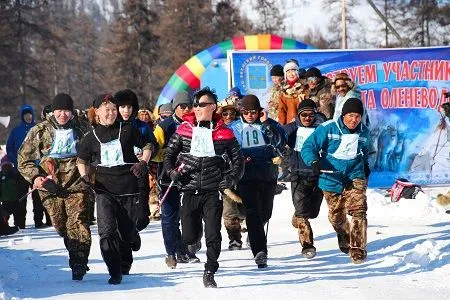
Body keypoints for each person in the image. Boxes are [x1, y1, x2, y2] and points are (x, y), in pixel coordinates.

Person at [164, 87, 244, 288]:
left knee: (213, 234)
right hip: (189, 189)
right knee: (190, 236)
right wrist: (172, 172)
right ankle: (194, 238)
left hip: (212, 191)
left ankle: (210, 270)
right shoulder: (184, 129)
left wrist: (231, 178)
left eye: (202, 104)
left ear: (213, 107)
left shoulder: (224, 132)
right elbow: (169, 156)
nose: (197, 108)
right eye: (196, 104)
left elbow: (238, 160)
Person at [77, 93, 157, 284]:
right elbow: (82, 159)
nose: (112, 113)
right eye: (108, 110)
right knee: (106, 232)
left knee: (126, 231)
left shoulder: (127, 130)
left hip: (128, 188)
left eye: (115, 109)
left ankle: (132, 237)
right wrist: (84, 175)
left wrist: (143, 162)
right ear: (97, 112)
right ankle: (114, 270)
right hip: (104, 190)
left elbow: (148, 144)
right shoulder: (91, 137)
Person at [18, 93, 92, 280]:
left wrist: (90, 174)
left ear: (71, 111)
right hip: (50, 185)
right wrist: (36, 178)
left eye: (66, 110)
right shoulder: (39, 131)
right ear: (53, 111)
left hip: (76, 183)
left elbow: (94, 151)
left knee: (79, 222)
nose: (63, 115)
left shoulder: (82, 128)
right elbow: (23, 160)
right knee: (61, 226)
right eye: (59, 110)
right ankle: (73, 250)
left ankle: (79, 262)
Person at [301, 98, 371, 264]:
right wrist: (313, 161)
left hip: (354, 175)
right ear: (343, 115)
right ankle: (343, 233)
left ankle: (358, 248)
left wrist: (365, 165)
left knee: (359, 210)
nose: (354, 120)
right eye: (351, 116)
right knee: (336, 218)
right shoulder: (328, 128)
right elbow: (308, 147)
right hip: (330, 176)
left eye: (358, 116)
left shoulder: (364, 131)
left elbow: (365, 150)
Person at [229, 95, 286, 268]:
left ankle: (255, 233)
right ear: (241, 112)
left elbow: (280, 143)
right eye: (246, 112)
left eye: (253, 112)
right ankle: (260, 251)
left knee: (265, 213)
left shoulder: (268, 125)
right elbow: (227, 148)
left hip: (267, 174)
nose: (250, 115)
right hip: (245, 176)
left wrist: (268, 124)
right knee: (253, 213)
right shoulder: (234, 128)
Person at [151, 92, 194, 269]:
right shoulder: (165, 126)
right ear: (175, 107)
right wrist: (172, 156)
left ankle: (185, 247)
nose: (185, 109)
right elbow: (153, 152)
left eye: (188, 106)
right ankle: (171, 252)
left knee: (189, 216)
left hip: (192, 177)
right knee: (170, 216)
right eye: (181, 106)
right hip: (168, 177)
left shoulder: (197, 124)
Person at [283, 99, 326, 259]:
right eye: (304, 115)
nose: (307, 118)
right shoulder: (291, 128)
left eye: (311, 115)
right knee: (303, 213)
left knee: (312, 212)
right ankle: (307, 245)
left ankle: (298, 216)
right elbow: (277, 138)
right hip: (298, 174)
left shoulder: (322, 128)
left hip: (317, 174)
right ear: (298, 115)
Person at [114, 89, 155, 232]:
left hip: (139, 173)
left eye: (130, 107)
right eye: (123, 107)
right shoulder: (112, 127)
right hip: (118, 175)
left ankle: (133, 232)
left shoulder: (142, 126)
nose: (126, 111)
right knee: (122, 215)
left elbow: (152, 145)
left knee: (142, 216)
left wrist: (145, 158)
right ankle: (127, 237)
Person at [6, 104, 49, 228]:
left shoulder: (38, 129)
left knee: (38, 196)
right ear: (22, 117)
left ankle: (39, 221)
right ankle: (20, 223)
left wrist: (41, 161)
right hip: (21, 170)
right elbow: (9, 149)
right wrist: (18, 162)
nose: (28, 117)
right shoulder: (16, 131)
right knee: (21, 196)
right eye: (26, 115)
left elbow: (45, 147)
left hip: (38, 169)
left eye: (30, 115)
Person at [217, 96, 246, 250]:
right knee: (229, 210)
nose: (228, 117)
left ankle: (247, 225)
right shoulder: (215, 128)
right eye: (225, 114)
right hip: (224, 172)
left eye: (231, 114)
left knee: (244, 209)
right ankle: (234, 238)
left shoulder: (241, 127)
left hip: (242, 170)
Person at [277, 61, 308, 125]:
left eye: (293, 71)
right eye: (288, 72)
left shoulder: (305, 88)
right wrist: (281, 127)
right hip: (289, 124)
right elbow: (281, 111)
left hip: (305, 123)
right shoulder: (283, 92)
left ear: (297, 72)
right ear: (285, 74)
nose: (291, 74)